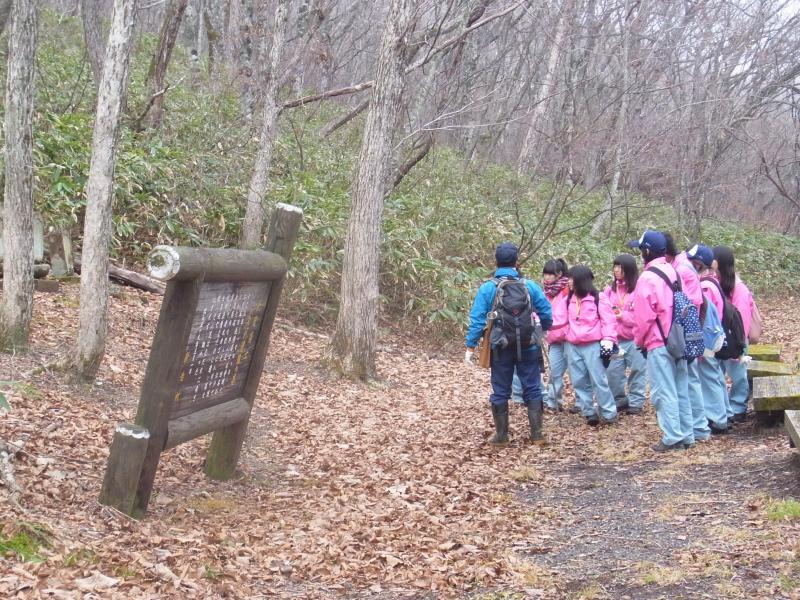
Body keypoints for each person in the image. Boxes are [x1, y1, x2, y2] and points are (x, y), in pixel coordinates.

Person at [465, 243, 553, 445]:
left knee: (500, 390)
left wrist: (471, 346)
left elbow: (478, 319)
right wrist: (542, 330)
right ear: (516, 262)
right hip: (528, 343)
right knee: (532, 388)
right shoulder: (530, 286)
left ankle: (502, 436)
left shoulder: (489, 288)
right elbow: (546, 312)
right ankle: (537, 435)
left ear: (496, 261)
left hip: (500, 347)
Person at [630, 230, 689, 451]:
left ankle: (673, 437)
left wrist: (639, 340)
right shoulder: (673, 271)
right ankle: (686, 434)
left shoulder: (647, 278)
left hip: (658, 340)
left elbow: (644, 317)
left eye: (640, 249)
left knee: (663, 390)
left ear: (646, 251)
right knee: (680, 386)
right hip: (678, 337)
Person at [664, 233, 710, 444]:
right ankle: (698, 428)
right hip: (691, 332)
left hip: (685, 333)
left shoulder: (681, 270)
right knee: (691, 381)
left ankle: (697, 429)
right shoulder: (686, 268)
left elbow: (684, 305)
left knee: (689, 381)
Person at [564, 265, 618, 426]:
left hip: (592, 345)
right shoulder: (569, 298)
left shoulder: (597, 297)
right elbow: (560, 318)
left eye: (572, 278)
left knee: (598, 379)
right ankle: (589, 412)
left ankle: (608, 413)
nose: (569, 281)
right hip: (572, 345)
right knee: (579, 380)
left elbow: (608, 320)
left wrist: (608, 339)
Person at [686, 244, 730, 434]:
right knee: (715, 377)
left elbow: (704, 315)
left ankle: (717, 418)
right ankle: (723, 413)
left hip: (707, 338)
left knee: (709, 377)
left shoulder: (705, 285)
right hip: (713, 336)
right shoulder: (713, 282)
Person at [712, 245, 756, 422]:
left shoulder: (739, 288)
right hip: (720, 337)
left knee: (738, 374)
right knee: (717, 372)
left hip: (735, 338)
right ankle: (724, 406)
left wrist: (738, 345)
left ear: (720, 262)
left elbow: (743, 318)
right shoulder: (716, 282)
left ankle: (739, 407)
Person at [602, 253, 646, 415]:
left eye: (620, 267)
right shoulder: (609, 291)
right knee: (613, 372)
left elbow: (643, 315)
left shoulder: (639, 290)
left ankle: (636, 401)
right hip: (615, 339)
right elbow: (604, 313)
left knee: (637, 371)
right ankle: (619, 399)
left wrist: (623, 316)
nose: (617, 270)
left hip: (635, 338)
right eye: (615, 266)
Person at [541, 258, 571, 412]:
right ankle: (553, 402)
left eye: (550, 274)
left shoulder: (568, 290)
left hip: (571, 338)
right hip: (554, 338)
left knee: (577, 374)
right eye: (545, 274)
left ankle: (582, 404)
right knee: (554, 371)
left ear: (559, 274)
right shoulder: (545, 292)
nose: (547, 278)